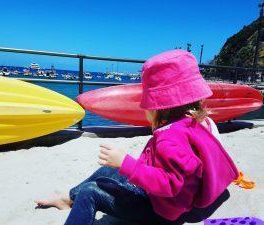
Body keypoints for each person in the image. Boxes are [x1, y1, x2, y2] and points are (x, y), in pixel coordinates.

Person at [36, 50, 238, 225]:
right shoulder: (195, 124)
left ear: (157, 106)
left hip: (162, 212)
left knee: (91, 192)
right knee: (109, 169)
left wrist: (127, 164)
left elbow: (171, 184)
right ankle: (69, 199)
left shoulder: (171, 138)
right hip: (171, 202)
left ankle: (76, 200)